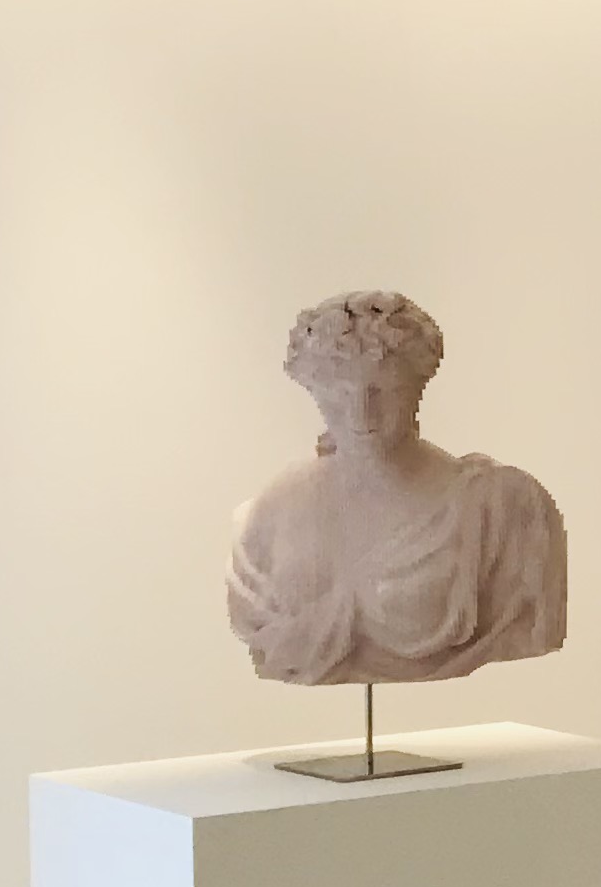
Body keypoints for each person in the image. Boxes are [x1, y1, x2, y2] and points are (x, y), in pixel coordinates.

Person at [227, 289, 566, 687]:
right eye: (338, 393)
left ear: (417, 387)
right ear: (313, 389)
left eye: (385, 391)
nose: (361, 415)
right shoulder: (269, 515)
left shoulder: (499, 512)